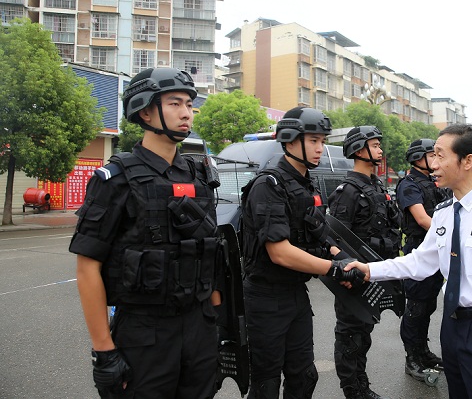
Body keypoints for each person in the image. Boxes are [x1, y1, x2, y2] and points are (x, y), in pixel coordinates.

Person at [345, 123, 472, 398]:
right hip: (451, 326)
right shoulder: (445, 212)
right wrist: (368, 269)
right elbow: (420, 262)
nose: (433, 164)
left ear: (467, 161)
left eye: (440, 155)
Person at [70, 67, 224, 398]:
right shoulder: (116, 178)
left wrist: (217, 322)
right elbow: (87, 268)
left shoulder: (200, 177)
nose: (186, 113)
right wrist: (104, 351)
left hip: (199, 329)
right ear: (145, 111)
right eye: (174, 103)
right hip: (144, 332)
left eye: (189, 105)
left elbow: (210, 253)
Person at [240, 107, 365, 399]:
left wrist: (342, 259)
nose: (320, 148)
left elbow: (319, 233)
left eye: (322, 141)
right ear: (291, 140)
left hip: (295, 293)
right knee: (266, 383)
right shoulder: (269, 185)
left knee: (304, 376)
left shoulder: (304, 184)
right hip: (265, 298)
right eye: (313, 141)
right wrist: (333, 269)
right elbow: (279, 252)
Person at [328, 126, 402, 399]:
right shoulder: (347, 191)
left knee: (363, 334)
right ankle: (353, 391)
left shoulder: (376, 185)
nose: (380, 150)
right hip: (354, 276)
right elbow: (334, 238)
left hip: (374, 273)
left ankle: (362, 386)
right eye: (375, 145)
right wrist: (346, 274)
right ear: (359, 150)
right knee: (350, 336)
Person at [395, 139, 451, 380]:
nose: (436, 160)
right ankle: (412, 358)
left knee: (428, 304)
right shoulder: (409, 184)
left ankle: (423, 352)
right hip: (419, 248)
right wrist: (449, 235)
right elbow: (421, 218)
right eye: (432, 155)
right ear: (418, 158)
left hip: (436, 249)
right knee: (416, 306)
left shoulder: (433, 182)